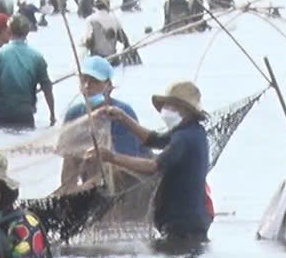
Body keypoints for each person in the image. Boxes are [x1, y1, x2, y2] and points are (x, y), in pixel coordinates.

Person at [91, 81, 213, 241]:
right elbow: (154, 140)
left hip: (183, 224)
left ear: (186, 111)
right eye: (166, 106)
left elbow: (153, 166)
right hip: (189, 220)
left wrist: (111, 157)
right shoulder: (191, 131)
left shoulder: (184, 138)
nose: (166, 111)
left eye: (173, 107)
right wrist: (122, 118)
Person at [0, 15, 55, 129]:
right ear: (27, 33)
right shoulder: (37, 57)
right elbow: (47, 88)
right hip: (25, 116)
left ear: (9, 30)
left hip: (2, 116)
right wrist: (52, 114)